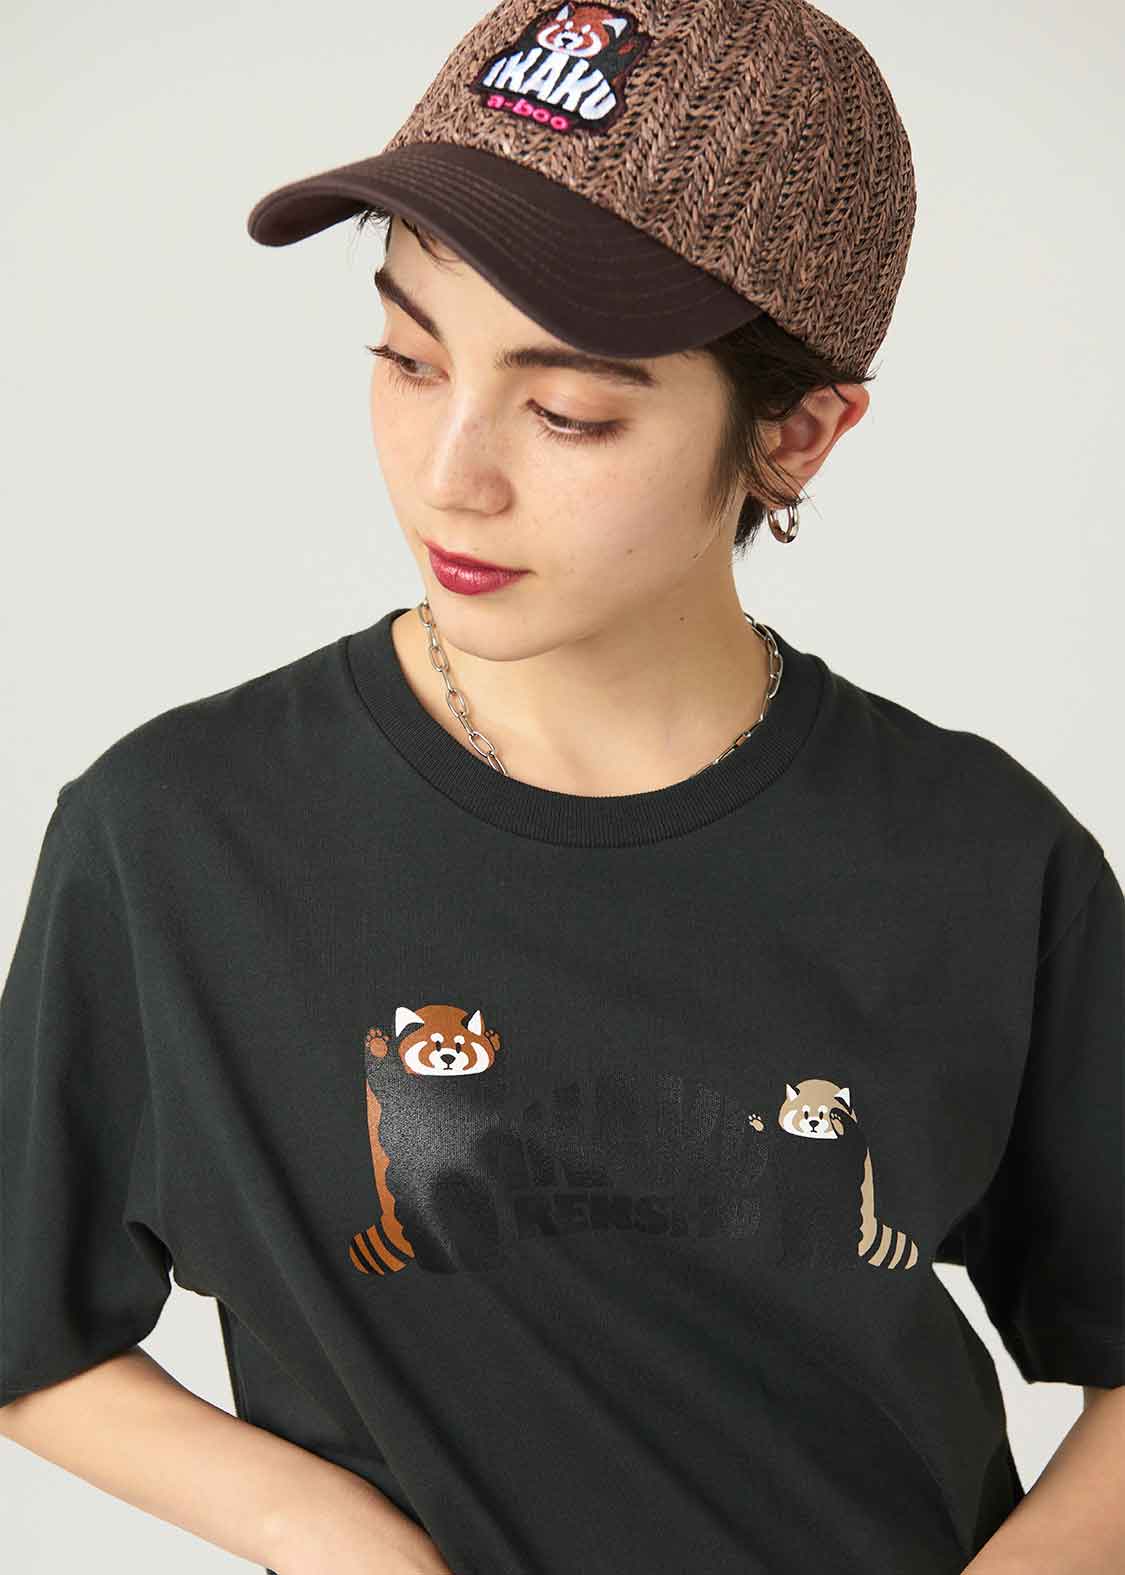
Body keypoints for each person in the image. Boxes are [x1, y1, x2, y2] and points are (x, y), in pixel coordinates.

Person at [2, 4, 1122, 1575]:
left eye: (567, 410)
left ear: (796, 432)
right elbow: (29, 1333)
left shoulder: (978, 855)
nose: (449, 473)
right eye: (407, 358)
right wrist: (337, 1539)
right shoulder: (179, 837)